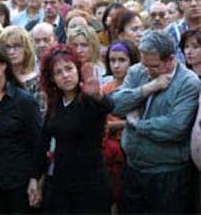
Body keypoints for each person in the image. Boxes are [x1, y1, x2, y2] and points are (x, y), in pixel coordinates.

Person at [110, 31, 200, 213]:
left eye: (155, 67)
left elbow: (175, 127)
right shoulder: (137, 72)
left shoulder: (188, 83)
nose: (148, 71)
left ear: (171, 59)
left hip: (167, 175)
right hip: (133, 169)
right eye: (145, 65)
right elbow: (115, 105)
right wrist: (148, 88)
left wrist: (137, 124)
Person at [28, 44, 113, 213]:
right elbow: (43, 142)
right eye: (58, 72)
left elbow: (107, 106)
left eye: (69, 69)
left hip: (90, 184)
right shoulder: (55, 104)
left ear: (77, 69)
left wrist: (98, 95)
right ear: (52, 78)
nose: (65, 75)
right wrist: (34, 177)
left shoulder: (89, 99)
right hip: (61, 183)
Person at [0, 43, 41, 213]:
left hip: (19, 180)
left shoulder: (23, 101)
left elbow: (37, 143)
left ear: (3, 65)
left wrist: (35, 178)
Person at [101, 40, 140, 209]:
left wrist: (116, 125)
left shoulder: (140, 88)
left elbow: (142, 120)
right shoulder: (105, 88)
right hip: (110, 152)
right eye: (112, 60)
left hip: (133, 150)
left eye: (122, 60)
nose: (116, 65)